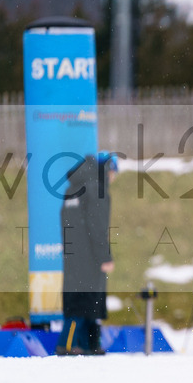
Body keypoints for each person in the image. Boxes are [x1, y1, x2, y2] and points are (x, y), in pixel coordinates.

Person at [56, 152, 118, 356]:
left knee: (79, 300)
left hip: (73, 256)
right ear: (107, 170)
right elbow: (97, 227)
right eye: (113, 172)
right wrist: (105, 257)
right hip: (90, 256)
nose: (113, 178)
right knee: (89, 301)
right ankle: (69, 344)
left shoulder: (72, 189)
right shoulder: (96, 190)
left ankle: (88, 344)